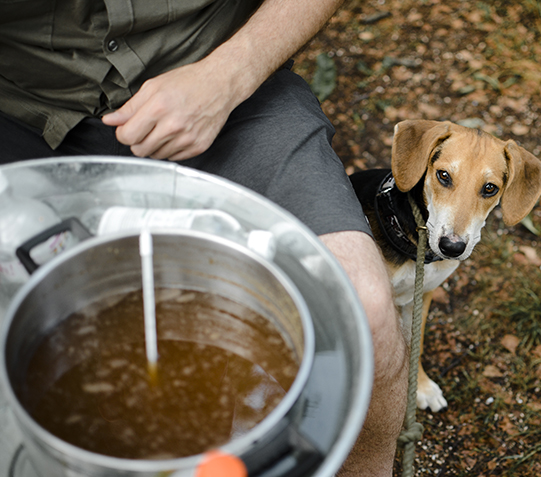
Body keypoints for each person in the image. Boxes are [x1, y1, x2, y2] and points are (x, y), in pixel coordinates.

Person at [0, 0, 408, 475]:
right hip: (20, 111)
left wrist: (229, 75)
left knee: (362, 311)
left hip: (224, 81)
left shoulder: (227, 77)